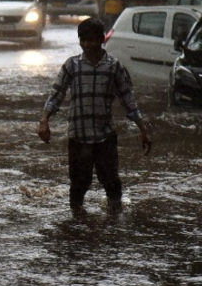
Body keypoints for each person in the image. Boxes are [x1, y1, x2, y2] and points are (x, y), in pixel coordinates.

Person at [38, 17, 152, 214]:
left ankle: (114, 222)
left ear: (102, 40)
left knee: (111, 182)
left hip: (104, 137)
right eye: (83, 40)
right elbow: (56, 94)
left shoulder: (113, 67)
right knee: (78, 184)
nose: (87, 45)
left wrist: (142, 129)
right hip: (78, 136)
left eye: (91, 40)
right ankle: (77, 223)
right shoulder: (71, 66)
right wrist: (44, 120)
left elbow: (128, 100)